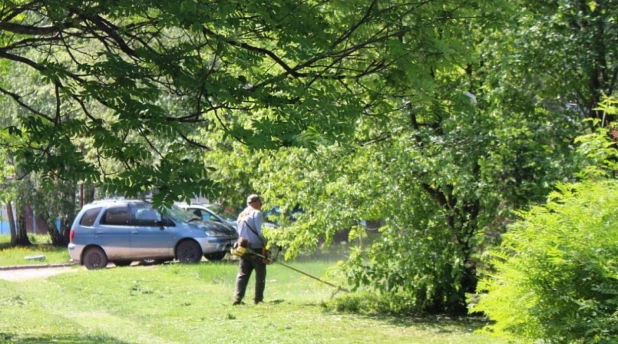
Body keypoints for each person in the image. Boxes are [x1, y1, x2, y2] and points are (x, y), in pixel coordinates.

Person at [233, 194, 268, 305]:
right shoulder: (257, 213)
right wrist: (267, 244)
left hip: (244, 248)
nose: (261, 205)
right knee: (260, 275)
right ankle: (258, 299)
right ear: (256, 202)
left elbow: (239, 232)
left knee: (242, 274)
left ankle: (237, 299)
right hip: (257, 249)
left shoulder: (241, 214)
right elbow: (261, 232)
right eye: (260, 202)